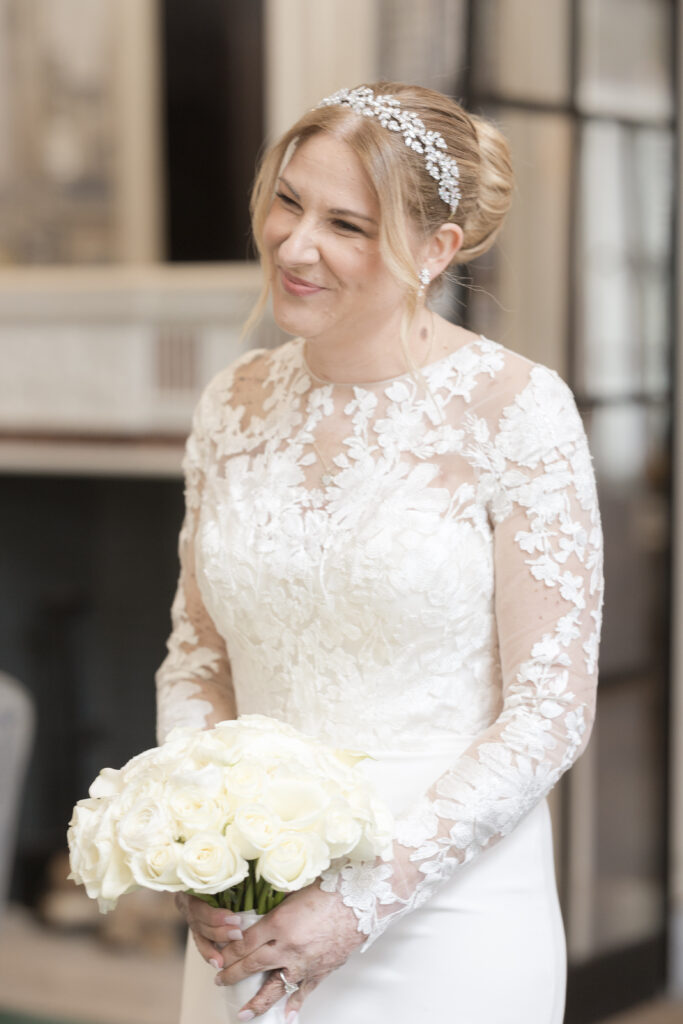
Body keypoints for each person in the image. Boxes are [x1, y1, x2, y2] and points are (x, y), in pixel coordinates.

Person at [156, 82, 604, 1023]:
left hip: (448, 907)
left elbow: (546, 714)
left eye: (346, 224)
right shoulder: (231, 403)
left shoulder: (518, 411)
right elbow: (198, 656)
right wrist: (196, 829)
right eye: (288, 200)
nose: (294, 243)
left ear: (435, 251)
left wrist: (364, 898)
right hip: (253, 906)